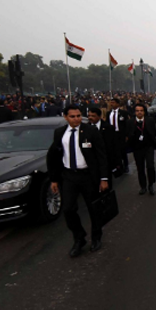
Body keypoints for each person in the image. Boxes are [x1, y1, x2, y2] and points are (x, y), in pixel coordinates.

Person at [47, 105, 109, 257]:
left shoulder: (91, 131)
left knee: (93, 209)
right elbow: (54, 157)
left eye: (79, 116)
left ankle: (96, 237)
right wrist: (54, 179)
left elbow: (101, 155)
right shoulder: (60, 133)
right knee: (68, 209)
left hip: (88, 176)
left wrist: (104, 178)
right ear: (65, 117)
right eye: (73, 116)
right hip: (69, 176)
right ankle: (79, 238)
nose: (77, 119)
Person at [127, 103, 156, 195]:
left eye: (141, 111)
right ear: (135, 112)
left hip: (148, 147)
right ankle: (143, 186)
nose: (139, 112)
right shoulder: (131, 122)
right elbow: (128, 134)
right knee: (140, 168)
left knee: (150, 166)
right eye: (137, 111)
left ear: (144, 111)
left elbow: (154, 133)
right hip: (137, 148)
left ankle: (151, 185)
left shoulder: (149, 120)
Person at [88, 107, 121, 188]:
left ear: (99, 116)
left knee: (106, 188)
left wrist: (117, 163)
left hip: (106, 163)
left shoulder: (108, 128)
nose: (90, 118)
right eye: (89, 115)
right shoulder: (85, 129)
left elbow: (115, 146)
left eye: (93, 116)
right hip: (91, 164)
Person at [108, 98, 130, 173]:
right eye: (111, 102)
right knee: (114, 151)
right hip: (112, 134)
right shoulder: (109, 113)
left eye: (113, 102)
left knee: (123, 151)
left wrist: (127, 135)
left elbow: (127, 124)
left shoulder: (123, 113)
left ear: (117, 104)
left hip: (121, 134)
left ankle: (126, 165)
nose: (112, 104)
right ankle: (118, 166)